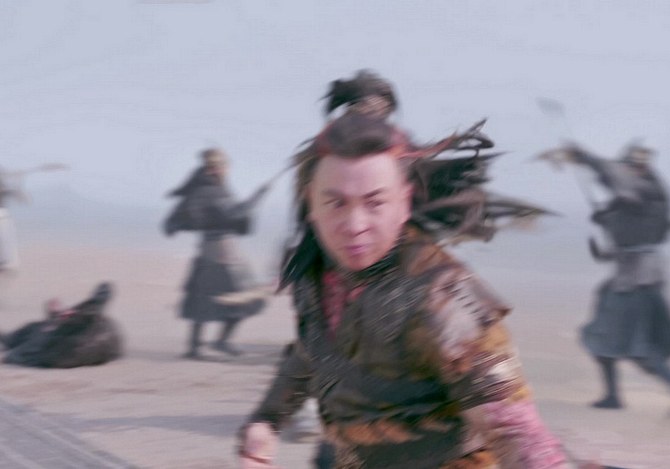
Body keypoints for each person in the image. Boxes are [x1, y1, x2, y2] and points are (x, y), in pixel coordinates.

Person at [237, 109, 594, 468]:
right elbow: (311, 352)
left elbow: (514, 428)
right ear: (311, 203)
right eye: (336, 203)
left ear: (404, 202)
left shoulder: (443, 298)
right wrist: (267, 420)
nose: (354, 225)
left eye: (375, 202)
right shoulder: (316, 274)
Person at [557, 142, 670, 417]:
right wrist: (604, 245)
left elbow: (617, 181)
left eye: (634, 167)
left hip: (638, 282)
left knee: (639, 348)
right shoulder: (635, 200)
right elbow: (629, 241)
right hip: (627, 280)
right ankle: (613, 396)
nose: (630, 172)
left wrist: (585, 157)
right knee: (599, 339)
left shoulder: (648, 191)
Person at [164, 148, 269, 359]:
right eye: (219, 166)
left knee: (208, 301)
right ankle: (207, 345)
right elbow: (234, 214)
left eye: (223, 166)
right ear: (212, 169)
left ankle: (205, 345)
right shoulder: (209, 192)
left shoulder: (214, 190)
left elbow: (232, 218)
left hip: (218, 253)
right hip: (220, 257)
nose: (222, 170)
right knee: (233, 299)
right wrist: (258, 197)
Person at [2, 282, 122, 368]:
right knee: (38, 332)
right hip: (78, 345)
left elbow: (100, 298)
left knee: (37, 333)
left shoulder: (48, 339)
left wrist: (9, 358)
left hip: (65, 348)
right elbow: (101, 296)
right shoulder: (82, 322)